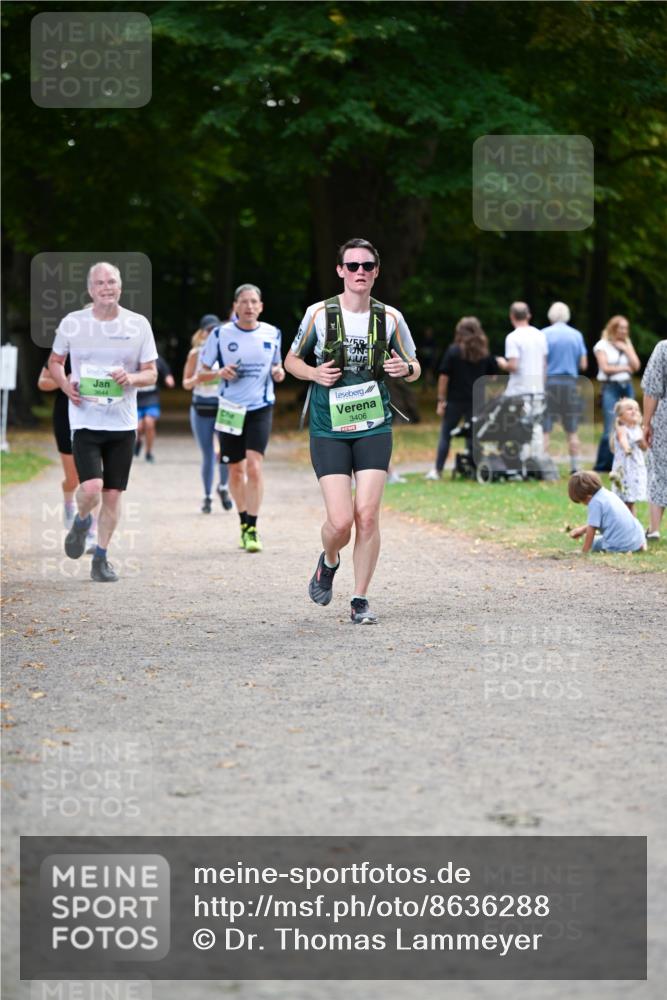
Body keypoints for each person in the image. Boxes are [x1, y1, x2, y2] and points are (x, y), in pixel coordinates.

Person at [284, 237, 420, 624]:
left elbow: (415, 363)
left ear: (376, 272)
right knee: (341, 521)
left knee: (368, 515)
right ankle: (328, 561)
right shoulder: (318, 314)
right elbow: (291, 360)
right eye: (353, 265)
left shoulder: (389, 317)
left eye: (367, 266)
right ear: (341, 271)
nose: (360, 272)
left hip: (374, 423)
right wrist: (313, 373)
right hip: (329, 426)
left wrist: (405, 369)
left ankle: (360, 598)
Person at [48, 261, 158, 582]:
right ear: (90, 289)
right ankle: (82, 520)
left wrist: (132, 377)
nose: (106, 287)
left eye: (111, 282)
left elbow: (151, 372)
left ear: (120, 287)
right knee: (92, 488)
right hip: (85, 419)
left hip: (123, 424)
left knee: (112, 495)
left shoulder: (138, 325)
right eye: (100, 283)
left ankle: (101, 557)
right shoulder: (73, 323)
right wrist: (67, 386)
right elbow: (55, 362)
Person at [199, 285, 284, 551]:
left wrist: (279, 372)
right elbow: (200, 373)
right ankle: (242, 521)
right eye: (244, 302)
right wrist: (219, 372)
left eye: (254, 302)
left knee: (254, 467)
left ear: (261, 306)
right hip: (230, 409)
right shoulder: (220, 335)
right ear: (235, 306)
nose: (249, 306)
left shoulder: (273, 333)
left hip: (261, 407)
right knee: (235, 471)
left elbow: (277, 366)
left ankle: (253, 527)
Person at [37, 355, 99, 549]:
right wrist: (64, 381)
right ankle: (68, 503)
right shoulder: (63, 354)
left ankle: (91, 533)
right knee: (73, 479)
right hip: (66, 417)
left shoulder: (103, 351)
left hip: (97, 418)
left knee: (92, 481)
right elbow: (42, 383)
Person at [425, 316, 498, 480]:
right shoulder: (485, 353)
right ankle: (474, 468)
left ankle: (437, 470)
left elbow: (444, 377)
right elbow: (493, 378)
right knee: (473, 435)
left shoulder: (453, 351)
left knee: (446, 434)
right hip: (477, 401)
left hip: (455, 401)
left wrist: (441, 399)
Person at [182, 314, 232, 514]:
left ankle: (224, 487)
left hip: (224, 407)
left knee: (226, 453)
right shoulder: (196, 353)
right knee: (209, 455)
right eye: (209, 330)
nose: (212, 333)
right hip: (201, 408)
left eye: (215, 330)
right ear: (202, 333)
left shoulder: (227, 351)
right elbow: (186, 384)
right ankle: (207, 497)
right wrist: (199, 378)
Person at [541, 301, 588, 473]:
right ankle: (575, 466)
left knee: (545, 428)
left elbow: (542, 363)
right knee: (572, 428)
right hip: (570, 384)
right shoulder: (576, 335)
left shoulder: (543, 334)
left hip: (549, 385)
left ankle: (545, 466)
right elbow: (583, 364)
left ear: (551, 316)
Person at [593, 315, 640, 472]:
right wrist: (624, 368)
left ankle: (625, 462)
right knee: (610, 427)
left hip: (626, 387)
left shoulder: (627, 344)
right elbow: (605, 368)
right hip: (610, 387)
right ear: (613, 328)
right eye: (621, 327)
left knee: (630, 424)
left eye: (626, 328)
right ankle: (602, 465)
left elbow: (636, 365)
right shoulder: (602, 345)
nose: (624, 331)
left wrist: (626, 349)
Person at [568, 471, 646, 553]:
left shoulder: (595, 503)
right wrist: (581, 530)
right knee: (601, 537)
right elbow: (597, 522)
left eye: (582, 501)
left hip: (619, 545)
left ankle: (624, 547)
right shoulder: (607, 494)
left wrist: (584, 551)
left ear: (587, 497)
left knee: (595, 542)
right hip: (637, 539)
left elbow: (592, 528)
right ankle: (637, 546)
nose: (584, 504)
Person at [641, 339, 667, 540]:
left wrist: (646, 424)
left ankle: (655, 528)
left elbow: (652, 389)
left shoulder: (663, 348)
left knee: (659, 471)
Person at [497, 301, 547, 396]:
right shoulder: (540, 335)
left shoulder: (513, 337)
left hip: (518, 391)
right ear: (528, 316)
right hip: (538, 390)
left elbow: (513, 366)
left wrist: (502, 363)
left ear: (512, 316)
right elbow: (544, 364)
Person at [609, 398, 647, 515]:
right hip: (625, 470)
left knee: (631, 501)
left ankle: (632, 525)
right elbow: (623, 440)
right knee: (625, 500)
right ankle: (627, 525)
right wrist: (627, 449)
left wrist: (644, 441)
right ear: (620, 416)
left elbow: (644, 447)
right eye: (629, 409)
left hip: (636, 469)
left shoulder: (638, 429)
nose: (634, 411)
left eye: (636, 409)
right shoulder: (621, 428)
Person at [134, 355, 175, 462]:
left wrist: (168, 378)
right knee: (138, 427)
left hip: (151, 398)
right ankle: (138, 441)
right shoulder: (132, 357)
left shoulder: (156, 359)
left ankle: (148, 452)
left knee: (149, 423)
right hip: (135, 399)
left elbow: (166, 372)